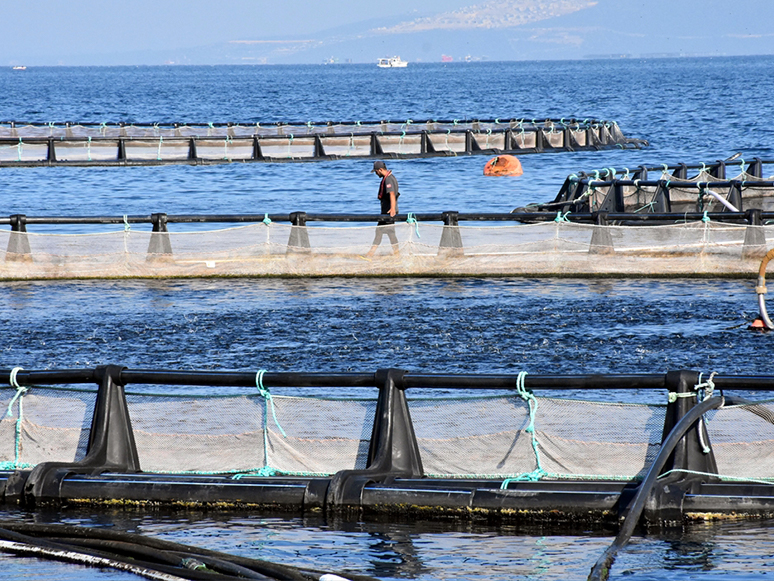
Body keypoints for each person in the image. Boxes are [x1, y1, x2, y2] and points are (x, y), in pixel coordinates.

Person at [366, 160, 400, 257]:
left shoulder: (388, 179)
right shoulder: (390, 177)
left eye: (376, 171)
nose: (376, 174)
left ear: (380, 170)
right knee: (390, 233)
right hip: (387, 211)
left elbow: (392, 194)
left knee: (380, 231)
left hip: (389, 211)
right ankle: (397, 253)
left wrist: (392, 208)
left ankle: (370, 254)